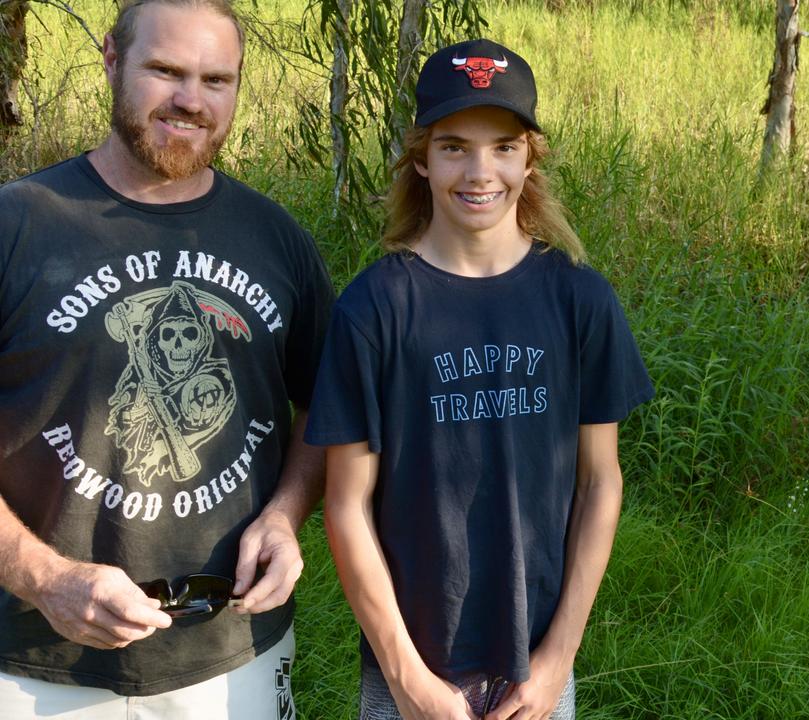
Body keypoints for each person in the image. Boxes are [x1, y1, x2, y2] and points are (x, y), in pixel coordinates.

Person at [0, 0, 334, 716]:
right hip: (29, 662)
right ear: (112, 63)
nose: (191, 100)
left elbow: (327, 405)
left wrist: (283, 516)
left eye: (217, 79)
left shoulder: (277, 239)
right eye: (165, 71)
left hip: (226, 651)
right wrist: (42, 576)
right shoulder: (18, 225)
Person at [306, 38, 653, 720]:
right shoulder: (375, 307)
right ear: (421, 158)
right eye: (454, 146)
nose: (479, 171)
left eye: (502, 146)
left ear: (530, 157)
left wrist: (556, 661)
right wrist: (408, 679)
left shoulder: (578, 300)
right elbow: (345, 505)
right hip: (410, 672)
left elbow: (599, 481)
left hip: (536, 674)